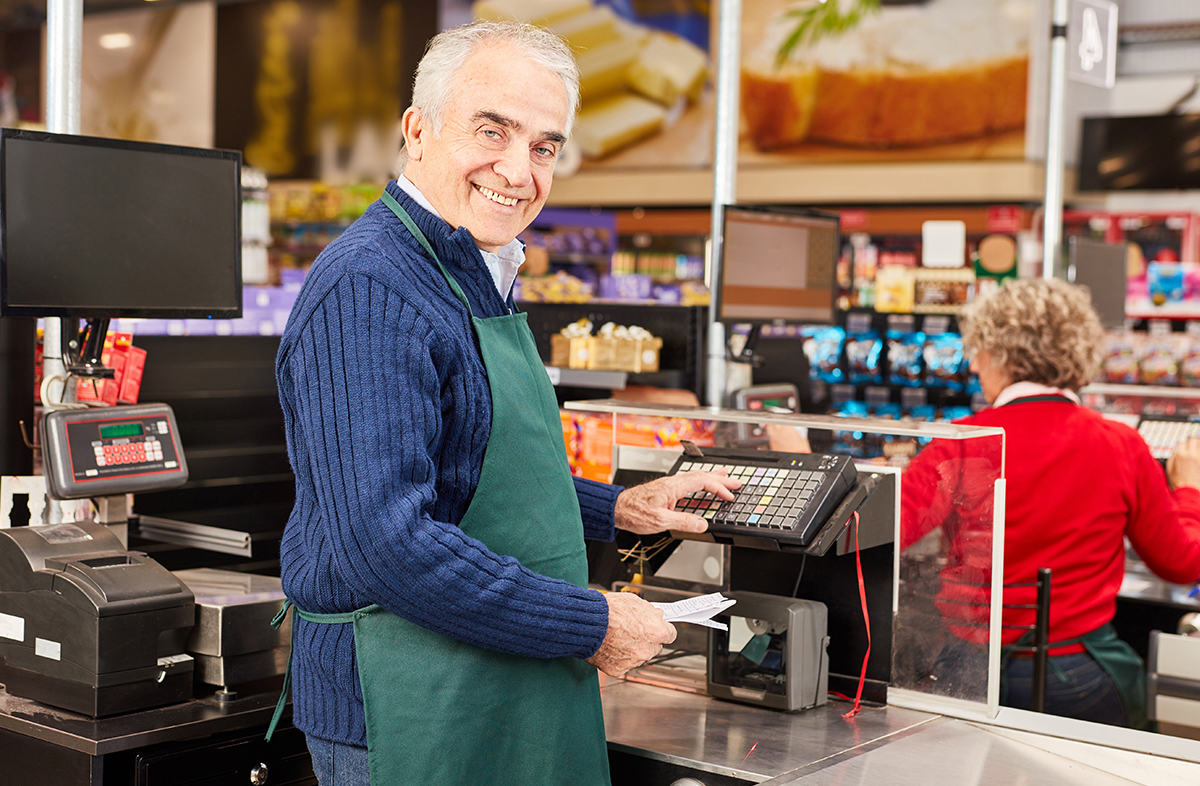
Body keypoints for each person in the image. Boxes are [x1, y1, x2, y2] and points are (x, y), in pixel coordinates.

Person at [271, 20, 739, 786]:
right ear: (417, 132)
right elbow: (386, 541)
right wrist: (593, 621)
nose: (518, 170)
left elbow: (468, 466)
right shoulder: (369, 287)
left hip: (495, 675)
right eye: (493, 131)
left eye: (545, 146)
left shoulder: (470, 267)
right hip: (406, 699)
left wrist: (622, 509)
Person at [900, 277, 1200, 729]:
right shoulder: (1120, 443)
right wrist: (1190, 490)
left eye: (979, 349)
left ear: (1000, 355)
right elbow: (1181, 562)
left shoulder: (960, 442)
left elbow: (882, 530)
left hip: (966, 672)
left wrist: (807, 468)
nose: (975, 363)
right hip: (1077, 671)